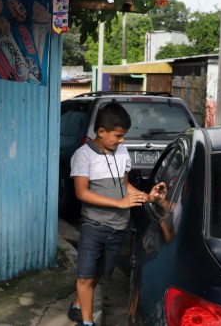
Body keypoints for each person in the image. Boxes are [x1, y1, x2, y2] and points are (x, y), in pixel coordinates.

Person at [66, 102, 165, 326]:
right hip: (94, 226)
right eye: (118, 136)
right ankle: (87, 322)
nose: (122, 141)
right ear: (101, 132)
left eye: (124, 136)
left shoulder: (121, 151)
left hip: (118, 227)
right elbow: (81, 192)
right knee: (85, 275)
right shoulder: (84, 155)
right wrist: (118, 203)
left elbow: (125, 185)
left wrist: (148, 196)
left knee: (98, 272)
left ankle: (78, 304)